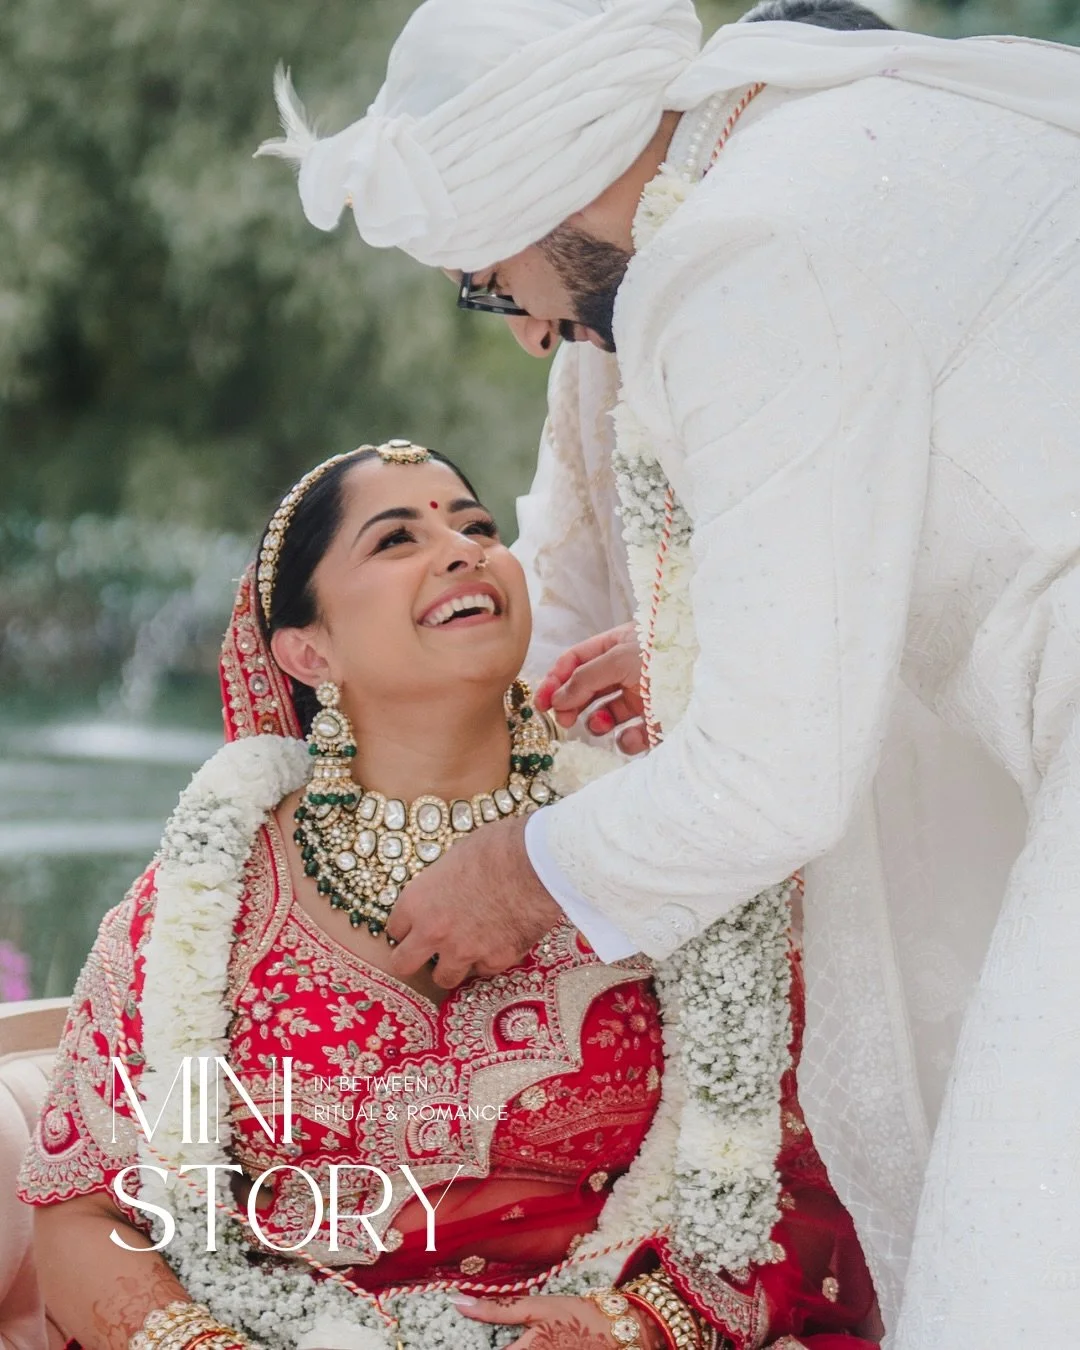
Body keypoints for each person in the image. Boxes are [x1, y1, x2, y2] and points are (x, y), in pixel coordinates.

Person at [257, 3, 1080, 1345]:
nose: (521, 331)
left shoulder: (739, 249)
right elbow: (563, 585)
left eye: (490, 282)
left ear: (549, 191)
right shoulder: (764, 173)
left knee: (1024, 1272)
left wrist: (519, 870)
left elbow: (772, 776)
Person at [18, 442, 879, 1350]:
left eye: (476, 526)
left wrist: (640, 1327)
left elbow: (801, 1181)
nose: (464, 548)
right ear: (309, 650)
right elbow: (90, 1210)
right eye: (397, 540)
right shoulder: (211, 899)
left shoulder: (647, 856)